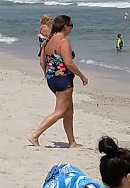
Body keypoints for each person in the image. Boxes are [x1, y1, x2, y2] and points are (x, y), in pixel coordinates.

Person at [28, 15, 88, 147]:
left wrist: (47, 75)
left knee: (69, 111)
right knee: (60, 111)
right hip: (63, 79)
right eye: (71, 26)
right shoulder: (63, 41)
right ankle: (35, 135)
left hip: (52, 78)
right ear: (65, 26)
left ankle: (72, 142)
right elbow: (69, 63)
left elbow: (42, 61)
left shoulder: (48, 40)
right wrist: (82, 76)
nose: (71, 28)